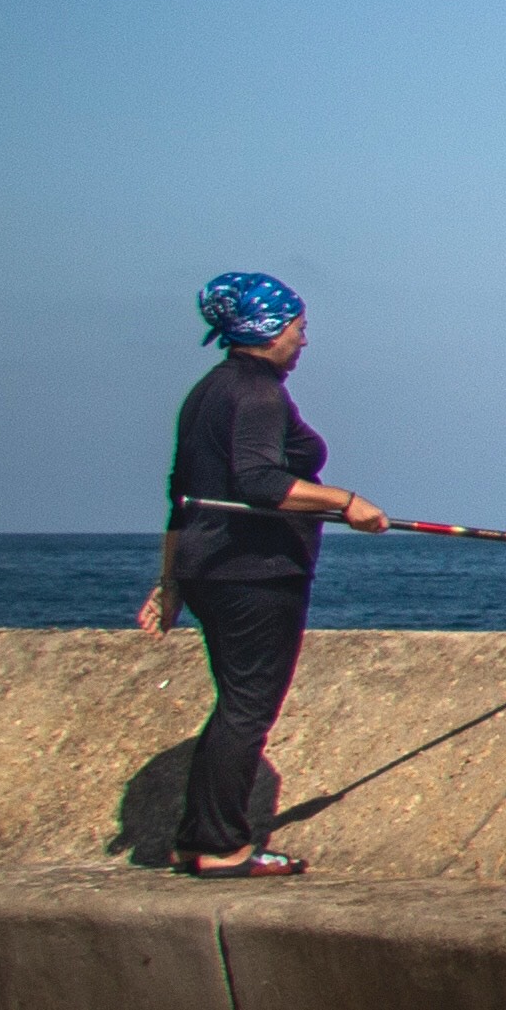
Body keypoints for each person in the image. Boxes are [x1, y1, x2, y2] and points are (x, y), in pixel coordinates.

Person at [133, 272, 388, 876]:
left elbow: (181, 495)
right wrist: (344, 501)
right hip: (255, 574)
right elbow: (259, 482)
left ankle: (200, 837)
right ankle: (222, 847)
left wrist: (171, 582)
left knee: (235, 706)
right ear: (269, 331)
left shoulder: (209, 390)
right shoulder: (256, 395)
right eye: (298, 329)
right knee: (249, 709)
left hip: (210, 569)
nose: (304, 342)